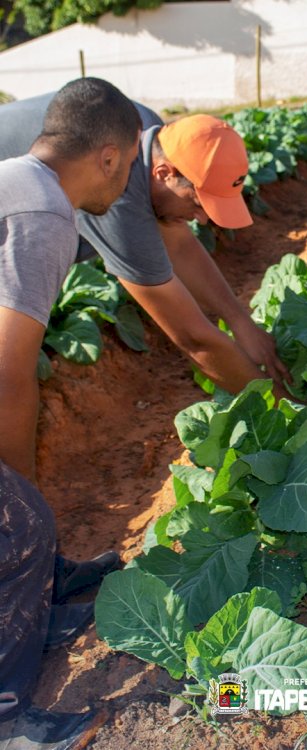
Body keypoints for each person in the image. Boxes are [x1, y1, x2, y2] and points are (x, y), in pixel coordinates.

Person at [0, 78, 142, 747]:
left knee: (24, 526)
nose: (130, 183)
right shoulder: (47, 215)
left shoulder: (17, 179)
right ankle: (9, 720)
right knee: (20, 526)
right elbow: (9, 371)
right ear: (108, 157)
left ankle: (43, 605)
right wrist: (20, 488)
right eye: (134, 163)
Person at [0, 91, 292, 400]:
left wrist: (240, 321)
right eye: (198, 203)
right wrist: (283, 405)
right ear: (164, 173)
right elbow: (193, 337)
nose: (203, 220)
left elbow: (178, 244)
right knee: (10, 368)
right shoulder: (113, 184)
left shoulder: (148, 131)